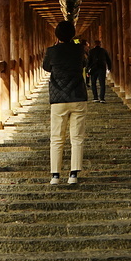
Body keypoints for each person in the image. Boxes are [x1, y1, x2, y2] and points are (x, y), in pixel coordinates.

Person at [42, 20, 88, 185]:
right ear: (73, 34)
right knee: (77, 137)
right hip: (78, 96)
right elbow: (84, 64)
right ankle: (73, 174)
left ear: (57, 35)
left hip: (58, 98)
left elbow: (46, 67)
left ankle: (55, 175)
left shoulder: (52, 51)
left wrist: (55, 48)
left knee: (56, 137)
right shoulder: (79, 50)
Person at [87, 39, 112, 103]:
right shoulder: (103, 51)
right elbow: (108, 60)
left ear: (94, 44)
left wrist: (87, 70)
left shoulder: (91, 51)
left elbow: (89, 61)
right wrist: (109, 68)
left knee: (93, 83)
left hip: (93, 69)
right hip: (102, 68)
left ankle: (95, 97)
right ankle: (102, 98)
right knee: (102, 83)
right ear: (100, 44)